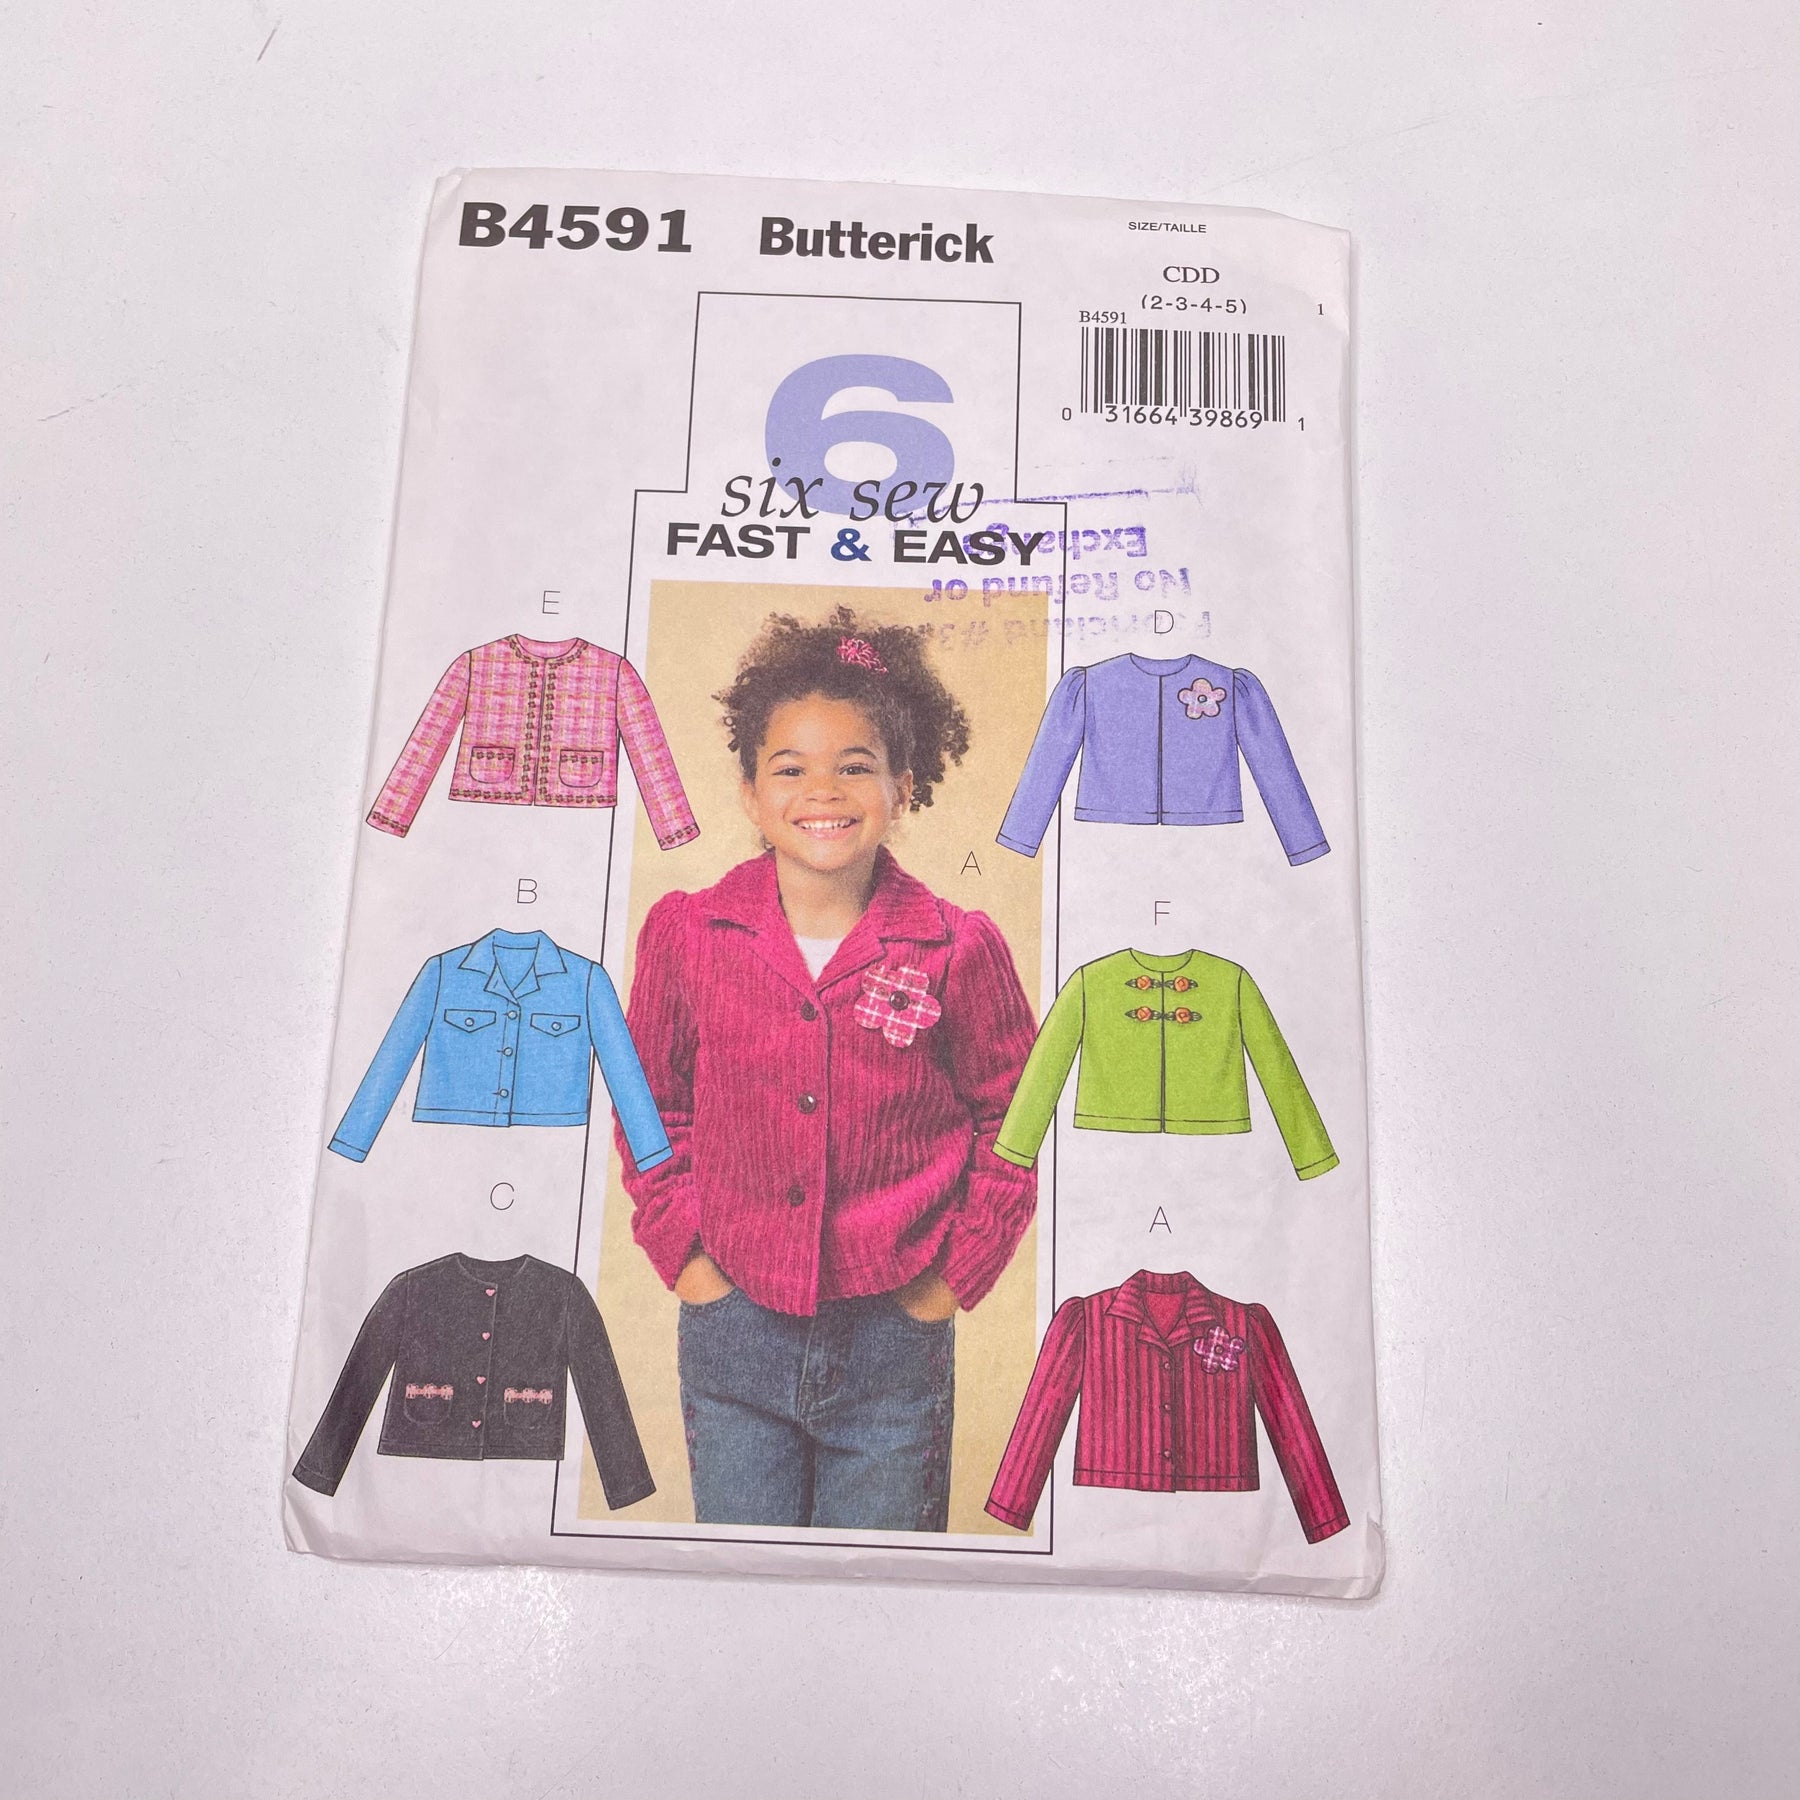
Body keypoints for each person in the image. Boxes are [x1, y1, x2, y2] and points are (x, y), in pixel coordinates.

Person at [616, 605, 1037, 1531]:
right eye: (790, 768)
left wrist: (951, 1279)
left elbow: (1014, 1119)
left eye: (855, 766)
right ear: (749, 792)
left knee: (881, 1588)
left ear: (902, 786)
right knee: (746, 1584)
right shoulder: (687, 934)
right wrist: (687, 1257)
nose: (823, 791)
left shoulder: (958, 947)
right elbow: (651, 1106)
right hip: (732, 1330)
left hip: (895, 1339)